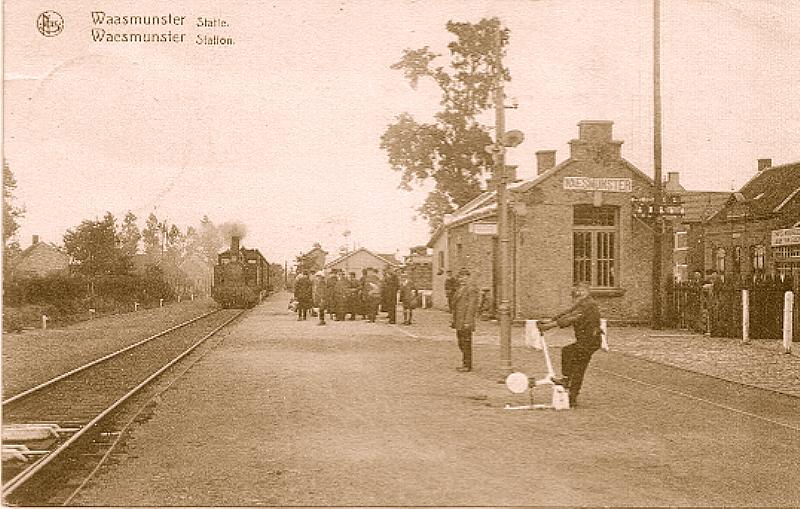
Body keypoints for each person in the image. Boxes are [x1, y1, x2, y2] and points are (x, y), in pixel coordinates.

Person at [538, 283, 601, 408]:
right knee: (578, 367)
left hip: (589, 341)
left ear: (588, 292)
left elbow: (571, 318)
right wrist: (550, 320)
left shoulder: (589, 305)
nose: (579, 293)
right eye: (578, 291)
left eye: (582, 290)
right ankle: (571, 398)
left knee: (568, 353)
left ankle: (566, 380)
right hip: (587, 341)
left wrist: (548, 327)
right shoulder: (582, 303)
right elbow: (568, 312)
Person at [450, 268, 480, 372]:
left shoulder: (471, 289)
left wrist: (468, 321)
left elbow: (472, 306)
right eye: (460, 277)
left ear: (468, 277)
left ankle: (467, 364)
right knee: (461, 342)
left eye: (464, 277)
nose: (462, 279)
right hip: (458, 320)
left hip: (465, 320)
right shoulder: (459, 289)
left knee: (466, 342)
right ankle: (465, 362)